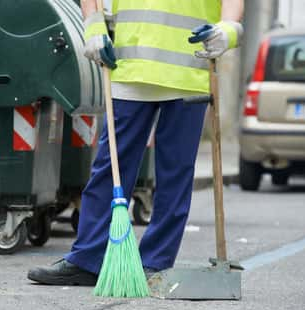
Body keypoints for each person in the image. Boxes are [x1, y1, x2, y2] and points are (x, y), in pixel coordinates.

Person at [28, 0, 244, 286]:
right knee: (110, 167)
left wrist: (228, 29)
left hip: (188, 72)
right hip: (130, 68)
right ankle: (88, 260)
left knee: (175, 174)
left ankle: (154, 263)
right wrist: (93, 27)